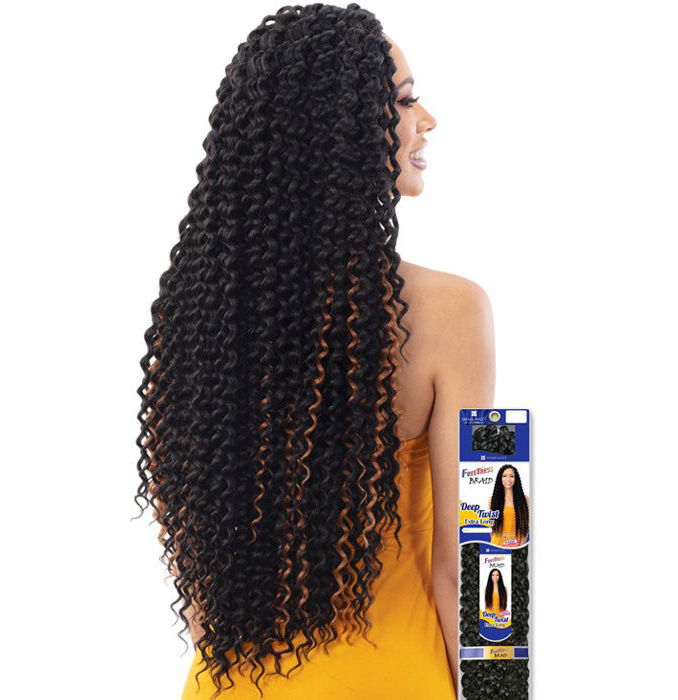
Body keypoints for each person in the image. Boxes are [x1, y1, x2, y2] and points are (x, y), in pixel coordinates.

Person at [135, 4, 495, 699]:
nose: (427, 119)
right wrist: (503, 689)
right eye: (405, 100)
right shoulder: (458, 310)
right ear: (340, 129)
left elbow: (199, 584)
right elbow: (486, 555)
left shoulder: (189, 325)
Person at [489, 465, 529, 547]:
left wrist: (520, 547)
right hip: (496, 545)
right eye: (504, 476)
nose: (508, 479)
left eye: (511, 476)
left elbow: (525, 527)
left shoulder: (525, 500)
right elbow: (492, 528)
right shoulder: (492, 500)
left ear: (516, 479)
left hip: (515, 546)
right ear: (500, 479)